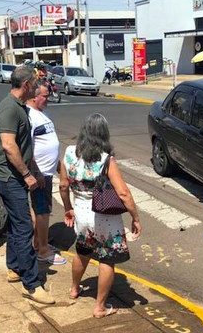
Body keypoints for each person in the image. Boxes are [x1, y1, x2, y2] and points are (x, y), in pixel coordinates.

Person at [59, 113, 142, 318]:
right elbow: (123, 193)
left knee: (82, 251)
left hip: (80, 211)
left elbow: (62, 185)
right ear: (104, 135)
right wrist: (135, 218)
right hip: (103, 215)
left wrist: (68, 208)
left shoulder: (69, 153)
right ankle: (100, 307)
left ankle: (74, 289)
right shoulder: (106, 160)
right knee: (107, 258)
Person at [0, 65, 55, 305]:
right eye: (35, 82)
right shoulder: (10, 109)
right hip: (10, 179)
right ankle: (32, 284)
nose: (39, 87)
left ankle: (14, 268)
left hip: (16, 176)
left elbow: (25, 145)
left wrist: (35, 171)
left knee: (15, 224)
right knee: (23, 228)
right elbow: (9, 146)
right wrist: (27, 174)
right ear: (27, 85)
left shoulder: (20, 108)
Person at [27, 81, 66, 266]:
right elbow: (28, 149)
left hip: (47, 172)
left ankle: (38, 243)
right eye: (45, 96)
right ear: (34, 97)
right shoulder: (30, 117)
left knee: (40, 210)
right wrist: (37, 172)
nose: (47, 99)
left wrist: (60, 169)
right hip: (40, 173)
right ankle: (43, 250)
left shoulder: (41, 114)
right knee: (42, 212)